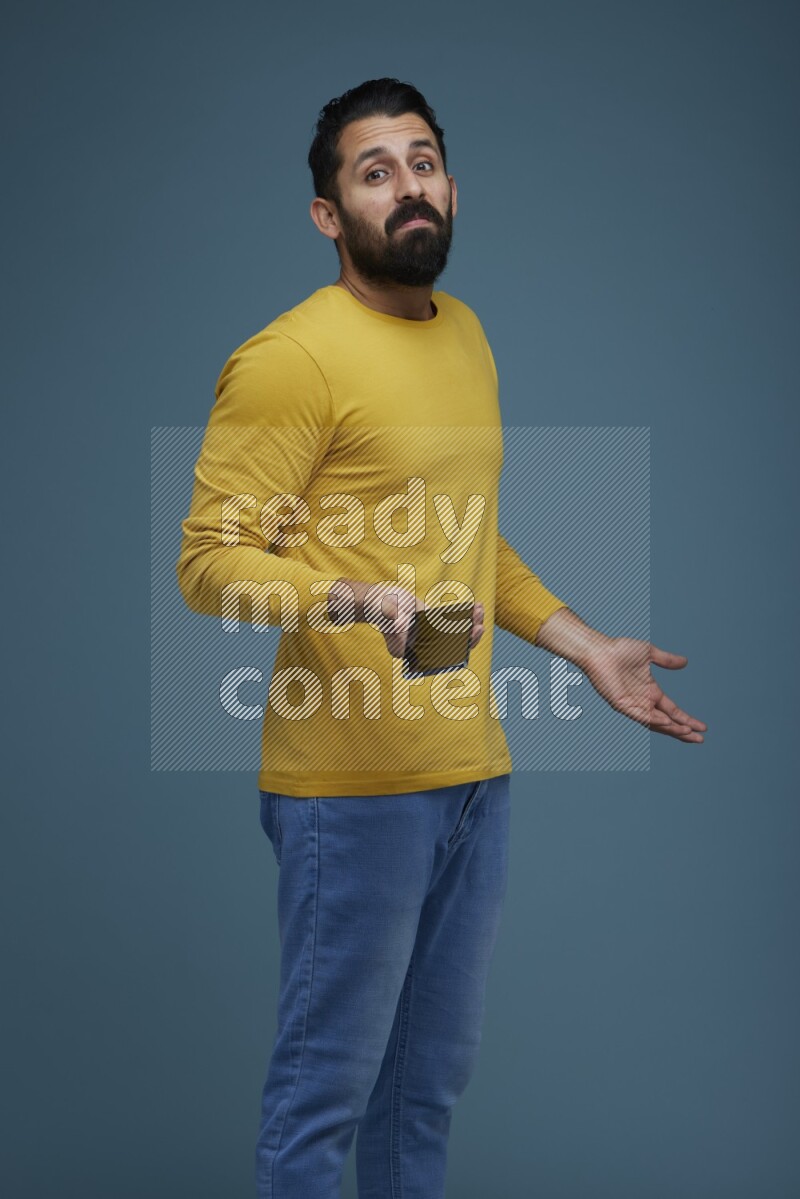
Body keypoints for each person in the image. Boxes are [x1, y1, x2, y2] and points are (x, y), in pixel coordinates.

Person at [176, 77, 707, 1199]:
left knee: (420, 1097)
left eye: (421, 161)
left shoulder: (463, 332)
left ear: (450, 184)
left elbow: (472, 546)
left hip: (473, 781)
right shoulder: (290, 359)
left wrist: (582, 646)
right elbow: (210, 563)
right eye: (374, 172)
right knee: (323, 1097)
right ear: (329, 214)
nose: (406, 186)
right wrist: (354, 598)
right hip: (346, 796)